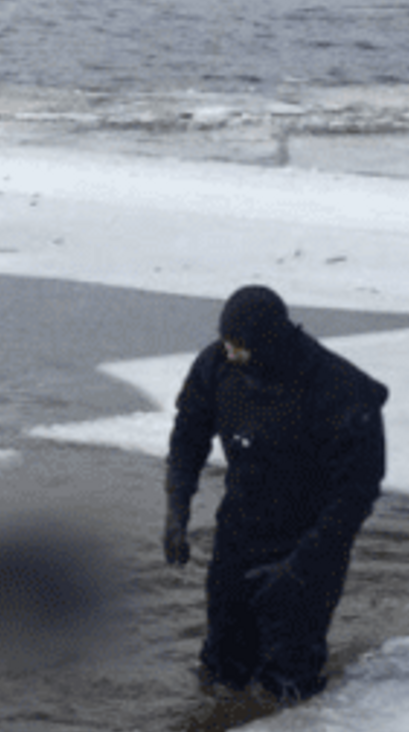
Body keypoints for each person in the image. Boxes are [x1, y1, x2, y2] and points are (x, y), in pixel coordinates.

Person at [163, 285, 388, 705]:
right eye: (226, 344)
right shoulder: (218, 364)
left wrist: (301, 567)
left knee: (287, 687)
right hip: (239, 536)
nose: (230, 355)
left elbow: (354, 496)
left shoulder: (340, 390)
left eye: (240, 348)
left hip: (309, 546)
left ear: (271, 342)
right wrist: (176, 510)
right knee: (220, 673)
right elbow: (188, 436)